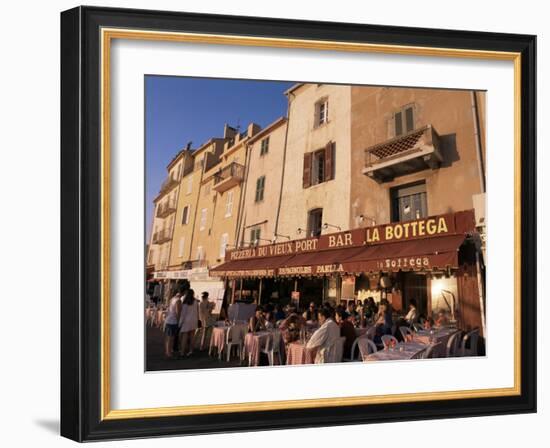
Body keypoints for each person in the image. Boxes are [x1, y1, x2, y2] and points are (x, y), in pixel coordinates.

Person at [178, 289, 199, 357]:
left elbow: (183, 314)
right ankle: (191, 351)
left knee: (185, 336)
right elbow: (197, 311)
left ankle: (182, 352)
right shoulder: (195, 301)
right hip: (194, 320)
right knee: (192, 336)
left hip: (186, 321)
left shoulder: (185, 302)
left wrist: (180, 323)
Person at [163, 291, 182, 359]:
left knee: (169, 337)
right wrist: (178, 322)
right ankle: (169, 353)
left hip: (169, 320)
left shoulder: (173, 298)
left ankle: (168, 351)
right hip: (173, 321)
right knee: (171, 338)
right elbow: (178, 313)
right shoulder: (178, 300)